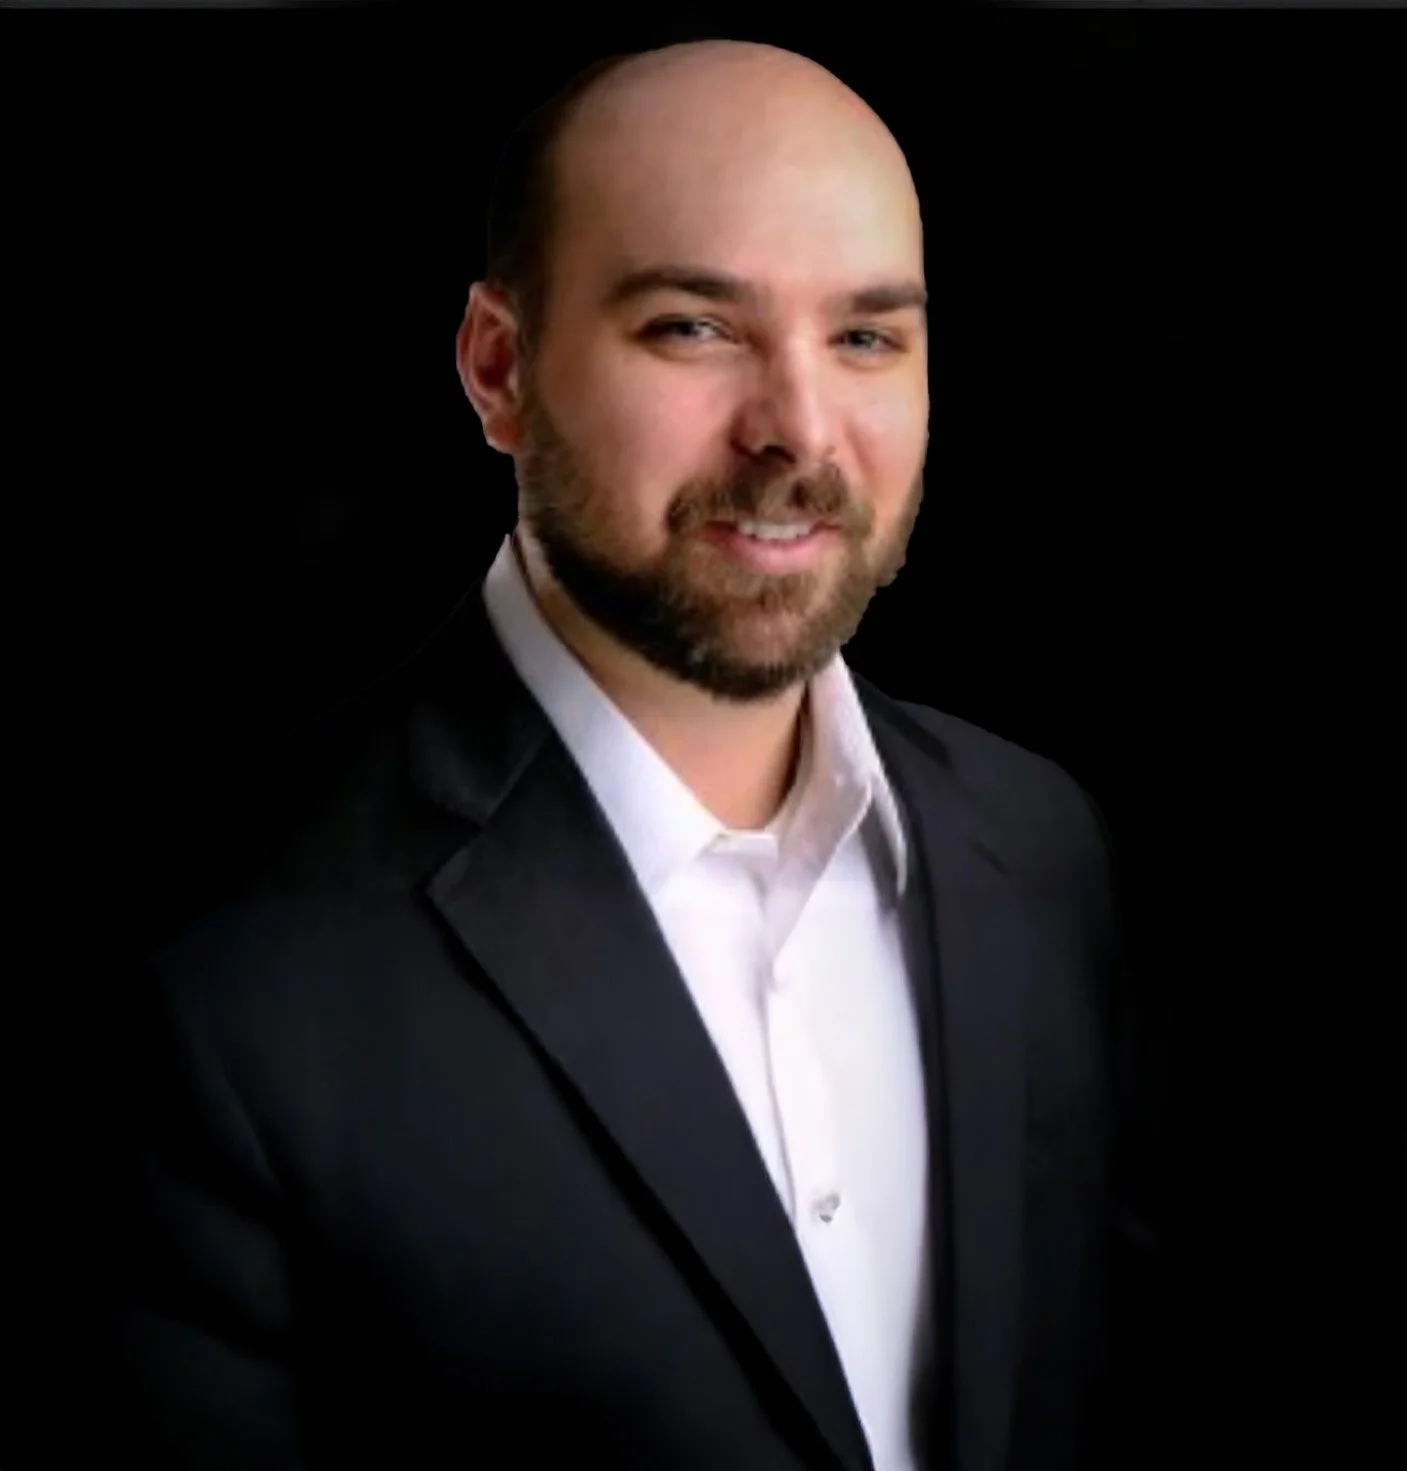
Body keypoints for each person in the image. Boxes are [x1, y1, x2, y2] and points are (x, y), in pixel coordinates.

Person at [102, 39, 1170, 1471]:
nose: (795, 429)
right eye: (692, 328)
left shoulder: (1040, 854)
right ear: (498, 370)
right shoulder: (217, 965)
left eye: (865, 336)